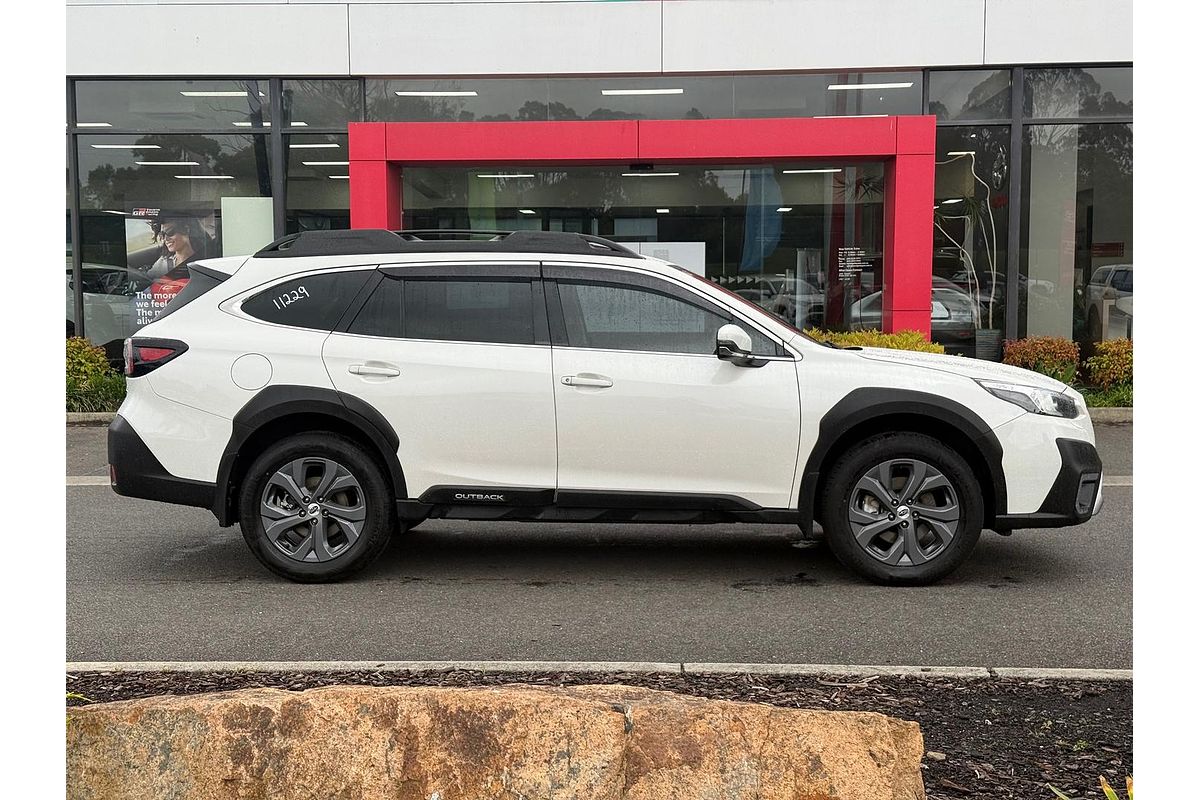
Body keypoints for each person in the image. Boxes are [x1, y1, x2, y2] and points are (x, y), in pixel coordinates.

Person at [146, 216, 214, 279]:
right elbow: (146, 283)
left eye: (170, 232)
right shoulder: (163, 264)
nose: (166, 239)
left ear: (186, 229)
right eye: (162, 235)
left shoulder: (206, 260)